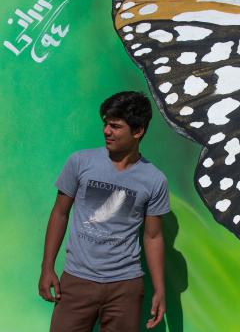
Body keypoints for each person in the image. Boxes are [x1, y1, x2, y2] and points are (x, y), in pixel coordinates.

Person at [39, 91, 170, 331]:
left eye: (115, 126)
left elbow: (153, 236)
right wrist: (47, 267)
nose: (106, 131)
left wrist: (160, 289)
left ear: (138, 131)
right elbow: (60, 213)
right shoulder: (80, 162)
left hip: (125, 288)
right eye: (105, 124)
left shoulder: (154, 179)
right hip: (76, 280)